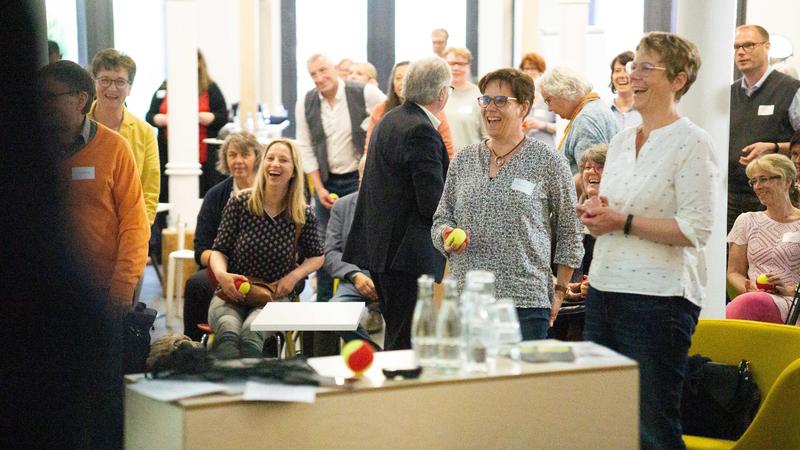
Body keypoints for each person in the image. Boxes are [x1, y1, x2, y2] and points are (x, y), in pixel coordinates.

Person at [578, 32, 716, 449]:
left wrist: (620, 220)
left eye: (645, 67)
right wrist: (595, 212)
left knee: (652, 426)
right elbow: (612, 213)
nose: (631, 75)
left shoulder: (693, 142)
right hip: (603, 290)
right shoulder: (619, 142)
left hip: (659, 300)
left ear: (678, 79)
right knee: (603, 421)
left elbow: (696, 228)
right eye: (631, 65)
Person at [38, 60, 150, 448]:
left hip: (103, 297)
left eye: (50, 96)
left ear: (79, 99)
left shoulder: (114, 148)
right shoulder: (29, 152)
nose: (41, 104)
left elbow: (135, 225)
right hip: (44, 298)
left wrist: (122, 288)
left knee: (104, 397)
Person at [432, 68, 583, 340]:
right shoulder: (464, 160)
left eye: (501, 101)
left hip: (524, 302)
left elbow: (570, 231)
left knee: (520, 384)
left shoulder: (549, 161)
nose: (490, 108)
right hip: (469, 300)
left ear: (523, 107)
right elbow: (441, 219)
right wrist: (444, 235)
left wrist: (559, 291)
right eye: (486, 100)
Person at [343, 57, 451, 350]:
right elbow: (433, 203)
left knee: (398, 335)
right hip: (407, 256)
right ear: (442, 93)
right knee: (407, 342)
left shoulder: (390, 119)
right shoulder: (421, 130)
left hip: (384, 251)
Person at [295, 53, 385, 340]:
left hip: (362, 176)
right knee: (324, 249)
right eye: (313, 74)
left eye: (323, 70)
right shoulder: (306, 102)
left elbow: (389, 114)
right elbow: (306, 146)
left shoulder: (364, 92)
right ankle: (324, 319)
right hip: (326, 181)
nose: (319, 78)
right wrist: (318, 188)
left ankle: (373, 308)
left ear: (335, 69)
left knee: (367, 240)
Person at [208, 139, 323, 358]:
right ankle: (231, 390)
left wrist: (294, 276)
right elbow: (219, 249)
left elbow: (317, 257)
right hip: (232, 292)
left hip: (274, 296)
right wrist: (222, 275)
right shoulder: (240, 202)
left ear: (294, 171)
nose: (275, 164)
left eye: (283, 160)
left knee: (252, 334)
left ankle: (250, 388)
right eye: (270, 158)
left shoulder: (302, 214)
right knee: (229, 333)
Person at [183, 132, 263, 341]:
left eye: (245, 154)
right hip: (221, 270)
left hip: (264, 271)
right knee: (195, 284)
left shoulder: (269, 192)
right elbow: (201, 250)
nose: (238, 161)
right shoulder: (215, 195)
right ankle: (193, 349)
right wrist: (223, 270)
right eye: (232, 155)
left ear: (256, 157)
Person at [728, 24, 800, 231]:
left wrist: (773, 147)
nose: (741, 52)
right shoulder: (730, 94)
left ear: (767, 46)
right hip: (733, 196)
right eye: (737, 47)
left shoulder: (790, 89)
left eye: (748, 45)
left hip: (777, 196)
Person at [726, 154, 800, 325]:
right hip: (753, 299)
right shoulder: (746, 220)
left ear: (787, 181)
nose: (757, 187)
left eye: (764, 179)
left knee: (751, 304)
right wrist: (748, 286)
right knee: (751, 303)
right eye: (753, 181)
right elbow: (734, 272)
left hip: (792, 302)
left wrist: (789, 290)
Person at [89, 48, 160, 224]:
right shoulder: (76, 127)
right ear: (94, 83)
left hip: (130, 228)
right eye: (105, 80)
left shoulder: (145, 132)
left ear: (129, 88)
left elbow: (149, 191)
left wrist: (141, 231)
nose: (112, 88)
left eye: (120, 82)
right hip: (84, 232)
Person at [146, 49, 228, 199]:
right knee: (166, 193)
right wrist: (161, 119)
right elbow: (149, 115)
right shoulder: (165, 86)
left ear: (199, 63)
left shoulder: (210, 87)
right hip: (168, 152)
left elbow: (223, 116)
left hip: (204, 155)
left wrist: (209, 117)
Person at [324, 156, 384, 342]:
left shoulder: (399, 206)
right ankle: (373, 357)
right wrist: (355, 275)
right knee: (335, 313)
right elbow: (331, 253)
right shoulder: (341, 206)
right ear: (359, 177)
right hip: (355, 277)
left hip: (391, 278)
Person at [539, 66, 618, 181]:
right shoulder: (598, 107)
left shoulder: (585, 120)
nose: (549, 109)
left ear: (563, 92)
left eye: (549, 100)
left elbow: (588, 177)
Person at [365, 60, 455, 158]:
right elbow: (370, 148)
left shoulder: (434, 111)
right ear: (392, 83)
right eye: (398, 78)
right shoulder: (381, 110)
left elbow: (447, 149)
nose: (402, 82)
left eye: (407, 78)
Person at [566, 143, 607, 301]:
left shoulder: (617, 217)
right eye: (587, 167)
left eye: (599, 167)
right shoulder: (570, 212)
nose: (591, 171)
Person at [443, 47, 487, 152]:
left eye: (461, 64)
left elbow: (487, 135)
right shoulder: (437, 95)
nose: (456, 68)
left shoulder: (480, 96)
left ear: (469, 66)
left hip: (471, 162)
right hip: (441, 162)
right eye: (452, 63)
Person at [519, 52, 557, 147]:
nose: (529, 72)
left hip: (546, 151)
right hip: (523, 150)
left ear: (541, 71)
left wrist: (541, 125)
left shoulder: (550, 96)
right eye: (526, 68)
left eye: (533, 68)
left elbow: (561, 128)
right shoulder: (518, 97)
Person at [609, 51, 642, 131]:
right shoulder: (604, 111)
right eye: (617, 71)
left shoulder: (646, 112)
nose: (622, 76)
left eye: (626, 70)